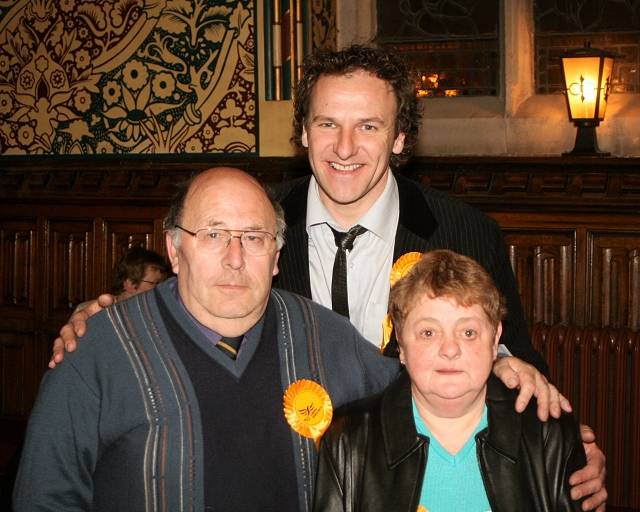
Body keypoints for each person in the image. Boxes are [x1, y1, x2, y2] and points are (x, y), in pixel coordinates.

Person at [49, 45, 606, 508]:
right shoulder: (257, 229)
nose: (344, 148)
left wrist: (565, 452)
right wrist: (101, 321)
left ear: (399, 138)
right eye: (327, 124)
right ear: (304, 135)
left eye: (368, 126)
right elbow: (188, 305)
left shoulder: (464, 232)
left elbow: (519, 365)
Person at [13, 168, 402, 511]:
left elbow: (420, 408)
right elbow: (46, 497)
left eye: (253, 237)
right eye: (213, 234)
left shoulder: (327, 338)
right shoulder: (97, 350)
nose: (235, 257)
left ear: (277, 255)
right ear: (175, 249)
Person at [314, 250, 587, 512]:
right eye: (429, 332)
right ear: (401, 343)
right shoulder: (347, 440)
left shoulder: (548, 435)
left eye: (468, 332)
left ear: (495, 340)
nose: (450, 349)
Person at [73, 246, 170, 313]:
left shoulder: (157, 314)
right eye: (155, 283)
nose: (161, 288)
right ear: (130, 284)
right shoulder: (89, 312)